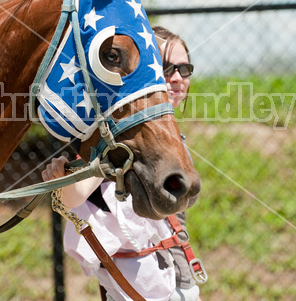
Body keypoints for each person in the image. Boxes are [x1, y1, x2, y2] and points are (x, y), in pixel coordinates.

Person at [42, 27, 201, 301]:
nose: (177, 78)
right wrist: (61, 181)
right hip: (139, 288)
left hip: (178, 281)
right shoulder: (118, 139)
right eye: (166, 68)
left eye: (184, 69)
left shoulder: (173, 140)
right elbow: (76, 195)